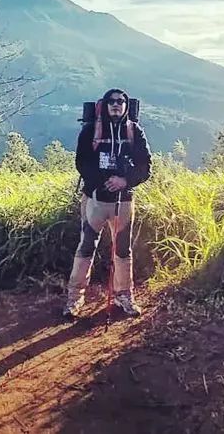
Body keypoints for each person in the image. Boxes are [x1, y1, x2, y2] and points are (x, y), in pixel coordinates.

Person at [64, 88, 152, 319]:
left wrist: (125, 180)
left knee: (123, 250)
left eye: (120, 101)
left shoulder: (134, 131)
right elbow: (82, 164)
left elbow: (146, 167)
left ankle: (124, 296)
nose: (116, 105)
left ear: (125, 105)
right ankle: (75, 298)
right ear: (103, 105)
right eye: (111, 101)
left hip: (123, 201)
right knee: (86, 247)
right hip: (95, 199)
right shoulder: (90, 131)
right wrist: (106, 182)